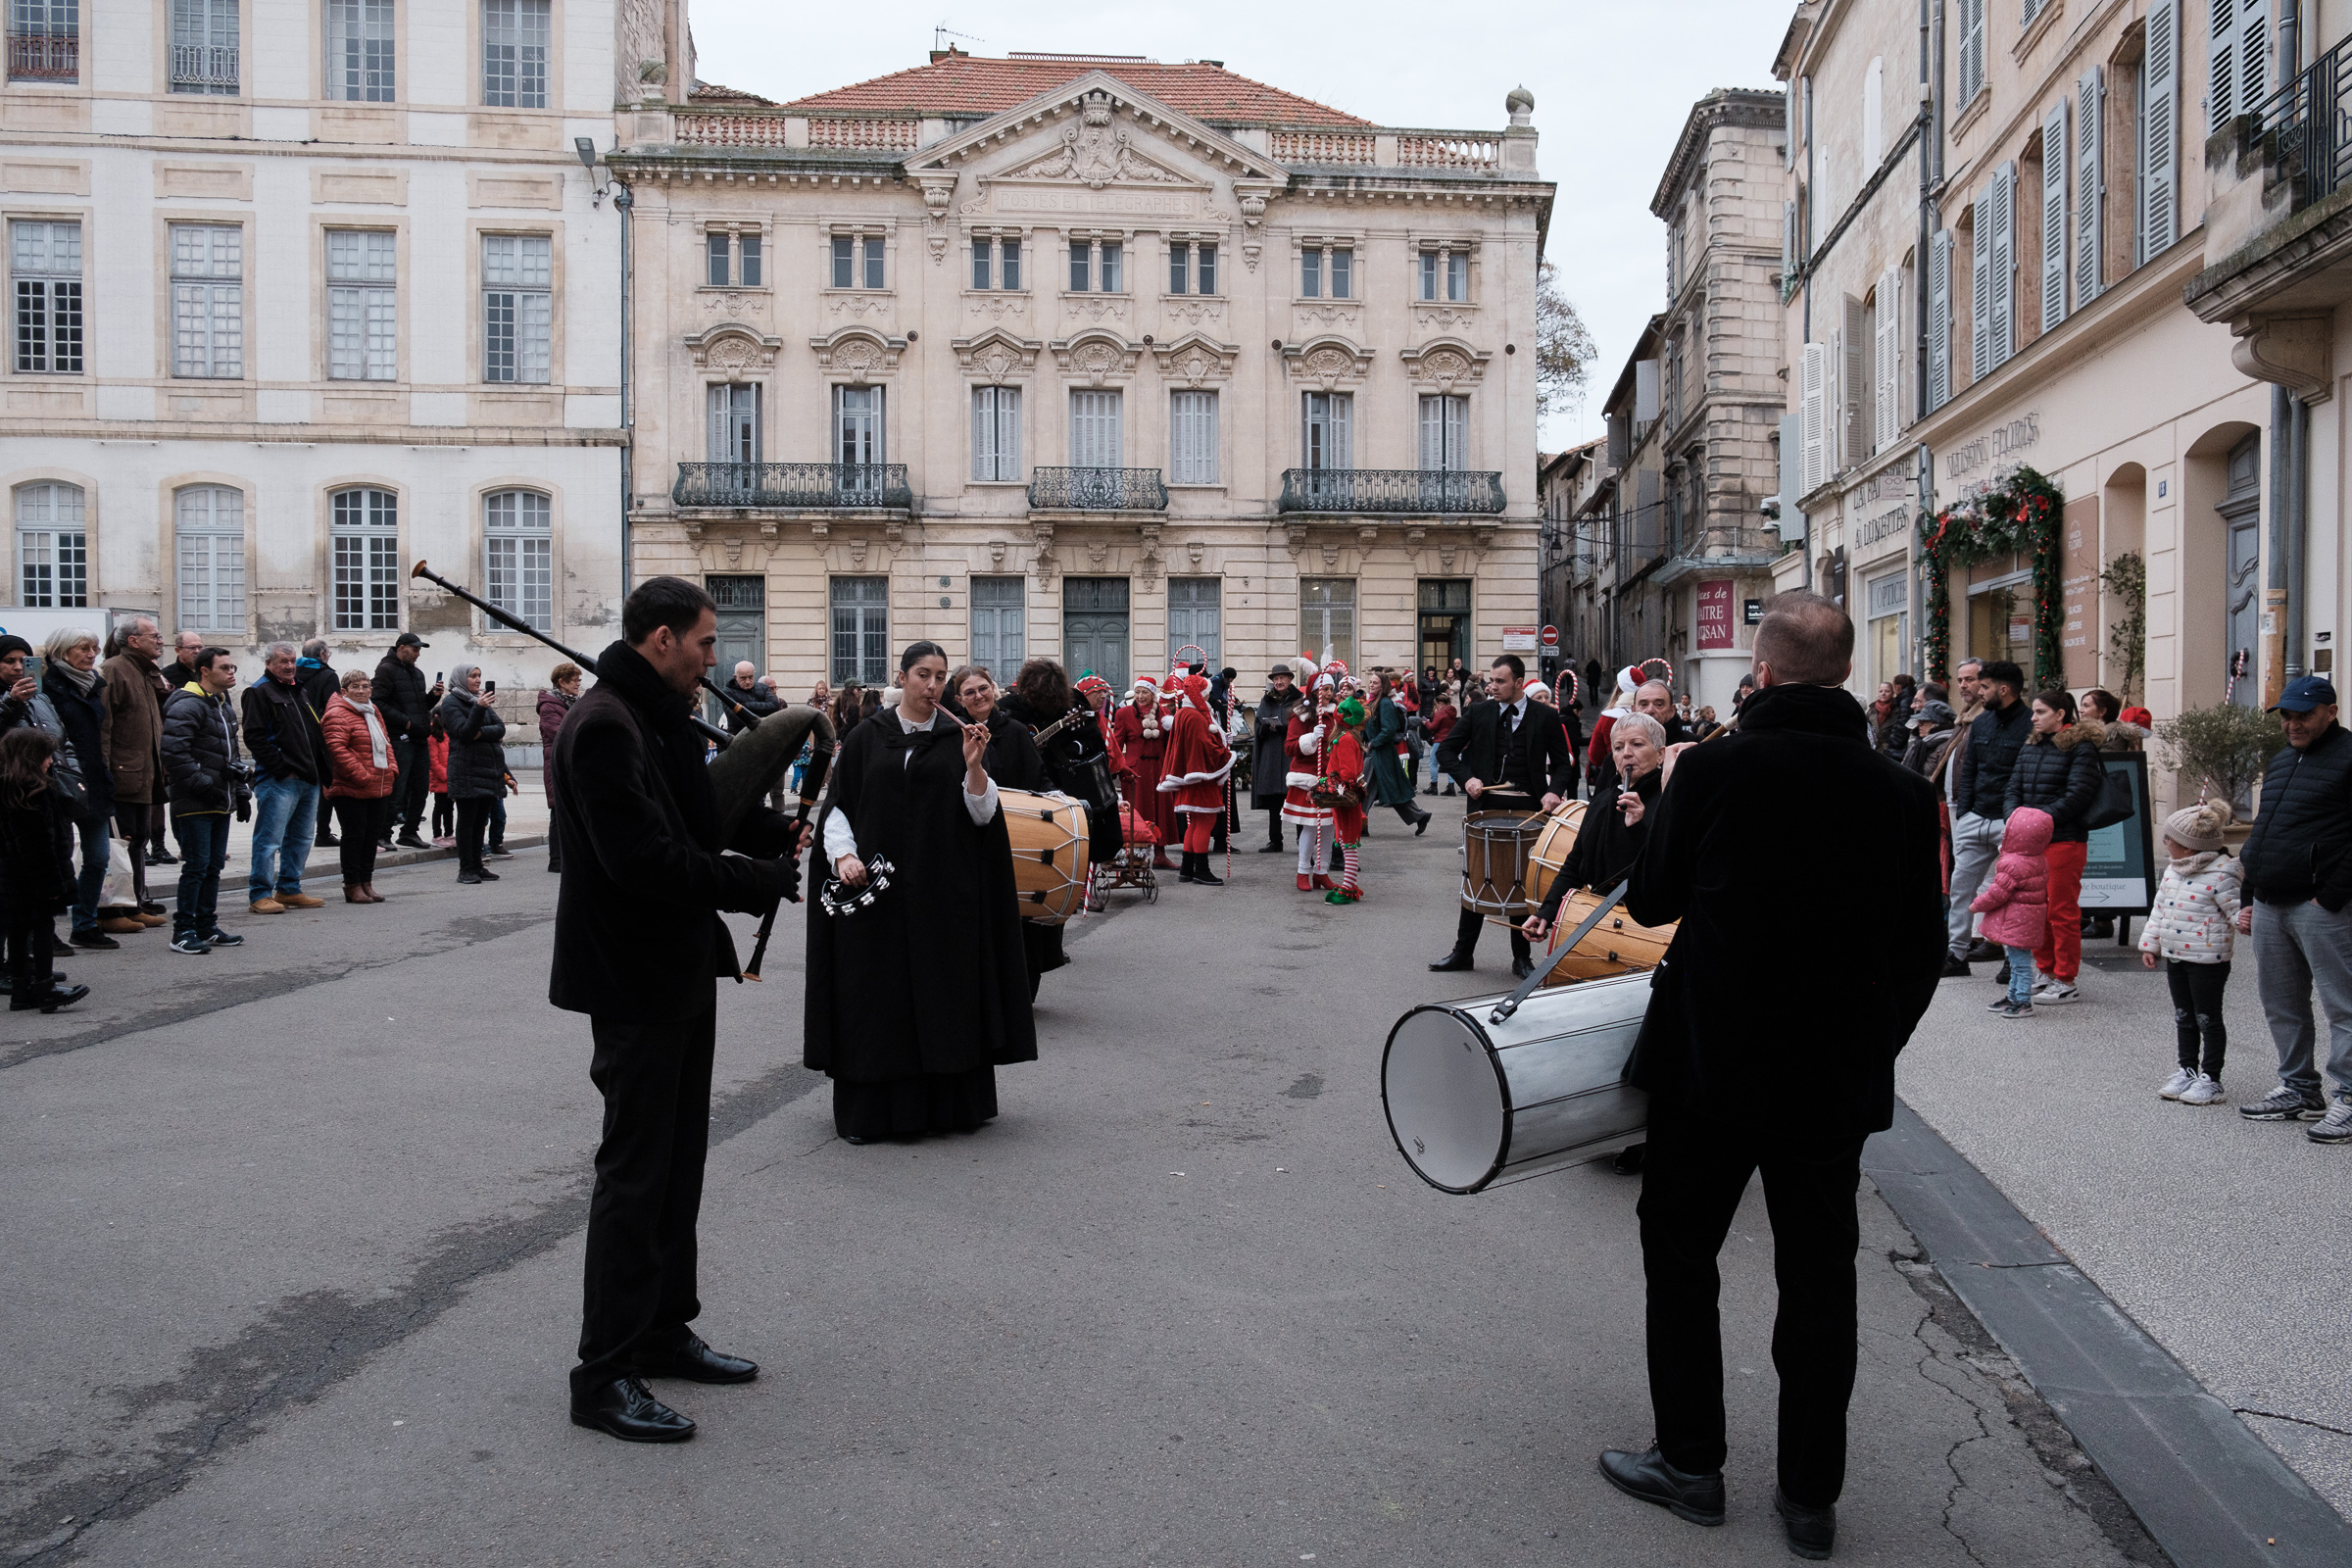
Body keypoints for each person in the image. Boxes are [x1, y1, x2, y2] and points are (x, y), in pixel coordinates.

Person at [1597, 592, 1943, 1559]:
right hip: (1831, 1082)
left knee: (1680, 1256)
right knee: (1819, 1279)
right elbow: (1924, 954)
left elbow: (1655, 898)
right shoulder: (1905, 795)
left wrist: (1667, 798)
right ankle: (1808, 1497)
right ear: (1842, 674)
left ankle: (1693, 1462)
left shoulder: (1710, 768)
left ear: (1763, 666)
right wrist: (1872, 1045)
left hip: (1708, 1067)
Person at [549, 576, 807, 1445]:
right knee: (635, 1173)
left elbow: (698, 815)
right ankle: (603, 1372)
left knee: (676, 1164)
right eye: (702, 643)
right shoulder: (602, 726)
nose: (710, 658)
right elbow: (645, 862)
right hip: (631, 978)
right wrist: (752, 882)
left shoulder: (650, 715)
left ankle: (660, 1329)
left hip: (678, 971)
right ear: (661, 639)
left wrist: (777, 835)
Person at [808, 641, 1035, 1145]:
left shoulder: (960, 738)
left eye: (940, 677)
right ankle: (873, 1112)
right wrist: (844, 855)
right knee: (877, 1000)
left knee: (943, 998)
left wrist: (975, 765)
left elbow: (982, 815)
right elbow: (840, 805)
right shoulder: (869, 736)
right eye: (923, 675)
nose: (932, 686)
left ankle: (950, 1108)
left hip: (944, 896)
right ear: (903, 677)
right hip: (878, 897)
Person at [2231, 675, 2352, 1142]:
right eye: (2286, 715)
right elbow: (2264, 829)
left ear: (2330, 712)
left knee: (2342, 1005)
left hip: (2320, 905)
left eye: (2303, 714)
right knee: (2282, 1003)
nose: (2293, 723)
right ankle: (2300, 1088)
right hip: (2269, 902)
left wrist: (2333, 895)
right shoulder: (2283, 760)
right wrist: (2249, 894)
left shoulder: (2348, 757)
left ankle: (2348, 1096)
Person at [1431, 655, 1579, 979]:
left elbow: (1564, 764)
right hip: (1485, 808)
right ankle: (1462, 952)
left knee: (1520, 882)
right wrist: (1466, 778)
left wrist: (1554, 790)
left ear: (1518, 682)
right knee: (1476, 876)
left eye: (1499, 681)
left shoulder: (1545, 716)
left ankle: (1521, 958)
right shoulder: (1478, 712)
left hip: (1530, 809)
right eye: (1491, 681)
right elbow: (1445, 751)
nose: (1491, 686)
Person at [953, 663, 1067, 999]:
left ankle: (1021, 993)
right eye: (970, 692)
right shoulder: (952, 735)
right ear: (960, 700)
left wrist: (1061, 801)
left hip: (1017, 838)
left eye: (983, 688)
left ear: (994, 689)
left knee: (1020, 921)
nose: (978, 696)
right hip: (970, 839)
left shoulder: (1014, 731)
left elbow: (1039, 779)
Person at [1520, 711, 1665, 943]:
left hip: (1647, 928)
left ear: (1660, 755)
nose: (1626, 753)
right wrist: (1547, 912)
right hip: (1598, 916)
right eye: (1618, 747)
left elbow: (1665, 871)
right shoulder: (1603, 800)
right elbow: (1575, 862)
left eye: (1637, 744)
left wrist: (1639, 827)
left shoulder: (1670, 801)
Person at [2003, 689, 2105, 1004]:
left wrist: (2037, 822)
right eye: (2033, 712)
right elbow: (2012, 788)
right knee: (2037, 911)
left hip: (2064, 840)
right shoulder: (2031, 746)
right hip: (2031, 842)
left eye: (2040, 712)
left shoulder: (2081, 747)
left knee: (2061, 912)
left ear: (2061, 714)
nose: (2032, 718)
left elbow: (2078, 795)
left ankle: (2066, 980)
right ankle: (2045, 971)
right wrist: (2016, 820)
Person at [2140, 800, 2240, 1105]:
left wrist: (2248, 918)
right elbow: (2160, 909)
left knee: (2207, 1017)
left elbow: (2237, 910)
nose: (2165, 842)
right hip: (2175, 954)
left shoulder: (2222, 874)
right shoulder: (2173, 871)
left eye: (2169, 838)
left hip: (2208, 960)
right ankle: (2187, 1069)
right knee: (2183, 1015)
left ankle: (2211, 1077)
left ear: (2188, 846)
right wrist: (2150, 942)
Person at [159, 647, 249, 956]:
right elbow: (174, 754)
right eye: (224, 667)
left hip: (219, 800)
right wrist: (205, 785)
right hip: (195, 800)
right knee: (196, 866)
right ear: (204, 671)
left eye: (232, 666)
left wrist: (241, 793)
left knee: (212, 867)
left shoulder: (222, 705)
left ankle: (206, 926)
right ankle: (183, 930)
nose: (231, 671)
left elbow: (232, 756)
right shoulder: (188, 704)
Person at [1944, 660, 2029, 974]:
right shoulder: (1981, 723)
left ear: (2003, 689)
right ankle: (1956, 955)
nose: (1979, 692)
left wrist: (2018, 818)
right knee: (1961, 888)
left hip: (2011, 820)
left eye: (1985, 686)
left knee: (2012, 893)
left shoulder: (2030, 724)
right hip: (1975, 817)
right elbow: (1971, 771)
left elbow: (2027, 776)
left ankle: (2012, 958)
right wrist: (1966, 812)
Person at [0, 729, 87, 1012]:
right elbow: (37, 846)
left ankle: (22, 989)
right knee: (41, 927)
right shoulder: (32, 792)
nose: (51, 761)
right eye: (47, 755)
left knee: (17, 928)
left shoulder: (9, 788)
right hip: (34, 878)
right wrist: (51, 885)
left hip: (11, 878)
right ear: (32, 757)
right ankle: (45, 987)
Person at [41, 628, 116, 950]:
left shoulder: (94, 685)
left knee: (98, 857)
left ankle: (84, 923)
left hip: (93, 781)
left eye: (95, 648)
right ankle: (44, 932)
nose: (91, 654)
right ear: (62, 651)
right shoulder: (47, 687)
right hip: (58, 783)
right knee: (56, 859)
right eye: (83, 648)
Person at [240, 643, 328, 915]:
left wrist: (321, 771)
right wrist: (281, 768)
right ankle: (260, 894)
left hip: (308, 778)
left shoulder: (298, 689)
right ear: (269, 664)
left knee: (301, 838)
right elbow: (254, 737)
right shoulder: (258, 691)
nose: (289, 666)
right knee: (269, 840)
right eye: (282, 661)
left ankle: (289, 888)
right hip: (280, 780)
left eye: (292, 661)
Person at [101, 616, 172, 930]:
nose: (160, 640)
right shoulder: (115, 669)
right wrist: (104, 773)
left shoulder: (146, 672)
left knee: (138, 839)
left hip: (146, 773)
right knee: (120, 841)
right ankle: (112, 912)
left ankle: (135, 904)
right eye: (154, 636)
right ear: (132, 641)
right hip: (122, 774)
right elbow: (104, 728)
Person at [322, 667, 399, 904]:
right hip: (350, 786)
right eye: (355, 686)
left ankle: (367, 882)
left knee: (371, 836)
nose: (361, 690)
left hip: (378, 783)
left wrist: (392, 769)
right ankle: (352, 884)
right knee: (354, 835)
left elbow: (386, 743)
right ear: (344, 691)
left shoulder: (373, 711)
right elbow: (337, 749)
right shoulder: (337, 713)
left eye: (365, 686)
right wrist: (363, 775)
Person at [1155, 667, 1236, 886]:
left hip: (1190, 777)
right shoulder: (1196, 717)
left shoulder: (1183, 713)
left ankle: (1187, 868)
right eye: (1207, 692)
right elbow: (1205, 748)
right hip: (1201, 778)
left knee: (1194, 823)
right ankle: (1201, 869)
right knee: (1204, 822)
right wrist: (1226, 751)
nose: (1210, 695)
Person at [1972, 807, 2053, 1019]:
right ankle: (2013, 996)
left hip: (2015, 921)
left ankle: (2022, 1000)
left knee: (2020, 965)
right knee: (2017, 961)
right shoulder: (2038, 858)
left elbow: (1996, 893)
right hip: (2026, 920)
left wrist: (1976, 905)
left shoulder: (2012, 864)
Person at [439, 665, 506, 884]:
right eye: (473, 676)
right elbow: (465, 733)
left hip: (486, 769)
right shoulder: (451, 703)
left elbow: (500, 728)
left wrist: (481, 732)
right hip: (466, 770)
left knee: (480, 822)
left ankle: (478, 865)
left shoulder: (479, 700)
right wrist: (478, 710)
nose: (478, 681)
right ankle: (466, 868)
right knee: (467, 821)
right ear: (461, 678)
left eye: (479, 676)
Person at [372, 632, 438, 850]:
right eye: (415, 649)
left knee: (420, 788)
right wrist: (406, 723)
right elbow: (378, 702)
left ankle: (409, 832)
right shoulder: (386, 670)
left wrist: (433, 696)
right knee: (397, 789)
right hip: (399, 738)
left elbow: (419, 706)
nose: (418, 654)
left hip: (419, 737)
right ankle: (382, 833)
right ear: (401, 648)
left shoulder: (416, 673)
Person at [1111, 679, 1177, 871]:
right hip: (1135, 771)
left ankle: (1160, 854)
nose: (1140, 696)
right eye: (1137, 692)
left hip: (1159, 769)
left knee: (1161, 811)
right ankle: (1134, 856)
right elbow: (1117, 744)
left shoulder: (1164, 714)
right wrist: (1120, 767)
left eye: (1144, 693)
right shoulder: (1124, 714)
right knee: (1137, 813)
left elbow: (1169, 744)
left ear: (1153, 695)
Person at [1282, 672, 1340, 891]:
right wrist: (1310, 739)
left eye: (1330, 690)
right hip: (1309, 778)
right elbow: (1289, 747)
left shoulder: (1335, 714)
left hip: (1331, 778)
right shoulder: (1302, 715)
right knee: (1311, 826)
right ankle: (1303, 871)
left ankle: (1321, 872)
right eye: (1324, 689)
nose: (1328, 694)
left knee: (1329, 827)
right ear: (1314, 691)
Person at [1361, 672, 1434, 835]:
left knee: (1366, 790)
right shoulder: (1372, 702)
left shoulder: (1385, 703)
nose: (1371, 685)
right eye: (1370, 682)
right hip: (1375, 753)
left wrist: (1374, 742)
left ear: (1383, 685)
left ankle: (1360, 825)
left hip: (1381, 754)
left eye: (1375, 683)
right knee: (1387, 790)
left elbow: (1389, 729)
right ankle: (1420, 816)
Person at [1318, 696, 1369, 903]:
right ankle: (1349, 883)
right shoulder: (1345, 738)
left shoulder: (1346, 740)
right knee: (1345, 840)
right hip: (1343, 796)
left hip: (1344, 797)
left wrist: (1332, 787)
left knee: (1348, 842)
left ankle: (1348, 887)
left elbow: (1347, 774)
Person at [1251, 664, 1302, 852]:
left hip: (1291, 757)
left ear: (1290, 680)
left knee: (1297, 798)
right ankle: (1275, 840)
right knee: (1274, 801)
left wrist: (1286, 728)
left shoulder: (1299, 700)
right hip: (1271, 756)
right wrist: (1264, 728)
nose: (1279, 682)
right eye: (1276, 679)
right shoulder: (1266, 701)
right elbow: (1257, 727)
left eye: (1282, 678)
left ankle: (1301, 839)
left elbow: (1305, 725)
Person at [298, 639, 343, 850]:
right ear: (323, 654)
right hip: (320, 737)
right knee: (326, 785)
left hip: (297, 736)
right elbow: (332, 708)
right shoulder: (328, 675)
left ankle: (292, 833)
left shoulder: (292, 672)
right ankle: (322, 833)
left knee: (299, 785)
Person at [540, 663, 582, 874]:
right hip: (556, 764)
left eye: (578, 680)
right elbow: (559, 733)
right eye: (574, 680)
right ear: (561, 682)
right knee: (557, 813)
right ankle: (556, 860)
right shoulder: (549, 705)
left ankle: (569, 857)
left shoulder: (573, 703)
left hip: (572, 762)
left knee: (571, 812)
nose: (578, 684)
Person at [719, 661, 780, 733]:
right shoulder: (727, 693)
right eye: (743, 678)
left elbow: (774, 706)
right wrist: (762, 713)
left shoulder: (763, 688)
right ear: (735, 677)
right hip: (739, 736)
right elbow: (734, 718)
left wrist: (745, 705)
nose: (748, 681)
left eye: (750, 677)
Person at [1424, 696, 1458, 795]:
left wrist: (1426, 723)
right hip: (1449, 740)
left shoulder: (1440, 713)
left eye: (1436, 704)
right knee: (1449, 763)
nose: (1436, 706)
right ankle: (1451, 787)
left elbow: (1433, 727)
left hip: (1439, 740)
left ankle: (1433, 786)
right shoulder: (1453, 711)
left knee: (1433, 762)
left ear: (1440, 703)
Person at [427, 710, 452, 843]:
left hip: (448, 777)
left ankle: (449, 833)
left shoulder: (446, 735)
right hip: (441, 778)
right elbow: (433, 761)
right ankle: (437, 835)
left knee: (449, 808)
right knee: (440, 807)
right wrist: (446, 775)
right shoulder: (433, 737)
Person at [160, 629, 205, 693]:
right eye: (191, 647)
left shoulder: (209, 672)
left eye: (200, 647)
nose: (197, 651)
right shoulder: (166, 676)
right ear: (178, 650)